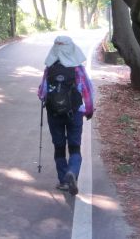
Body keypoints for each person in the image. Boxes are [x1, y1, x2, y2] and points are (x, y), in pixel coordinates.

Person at [37, 35, 95, 196]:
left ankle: (63, 180)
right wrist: (89, 110)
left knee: (59, 146)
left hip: (54, 114)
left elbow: (42, 93)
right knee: (75, 146)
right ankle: (73, 171)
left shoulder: (50, 69)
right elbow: (87, 91)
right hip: (74, 113)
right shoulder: (77, 69)